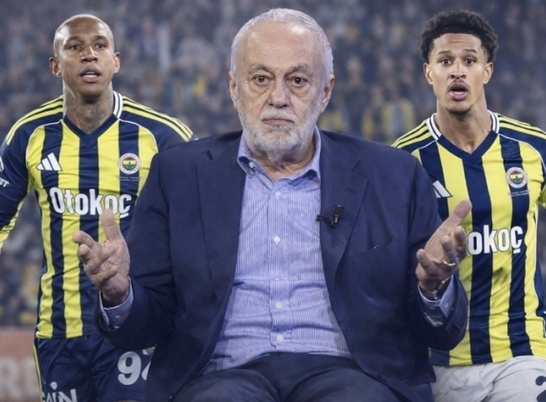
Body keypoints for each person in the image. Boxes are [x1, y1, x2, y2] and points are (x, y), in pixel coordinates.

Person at [74, 8, 470, 402]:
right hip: (221, 377)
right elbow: (145, 324)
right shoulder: (177, 176)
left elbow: (440, 333)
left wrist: (433, 288)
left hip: (353, 375)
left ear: (325, 91)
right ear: (234, 88)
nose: (278, 98)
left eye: (297, 80)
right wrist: (120, 294)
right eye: (260, 79)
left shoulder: (393, 176)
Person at [0, 14, 194, 402]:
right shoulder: (29, 135)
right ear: (56, 65)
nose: (89, 55)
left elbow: (198, 229)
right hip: (59, 333)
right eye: (75, 47)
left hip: (134, 324)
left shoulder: (163, 136)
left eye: (100, 46)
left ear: (115, 61)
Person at [393, 9, 546, 402]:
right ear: (429, 73)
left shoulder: (533, 149)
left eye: (469, 61)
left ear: (487, 71)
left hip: (523, 351)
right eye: (445, 61)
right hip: (437, 361)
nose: (457, 71)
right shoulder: (403, 161)